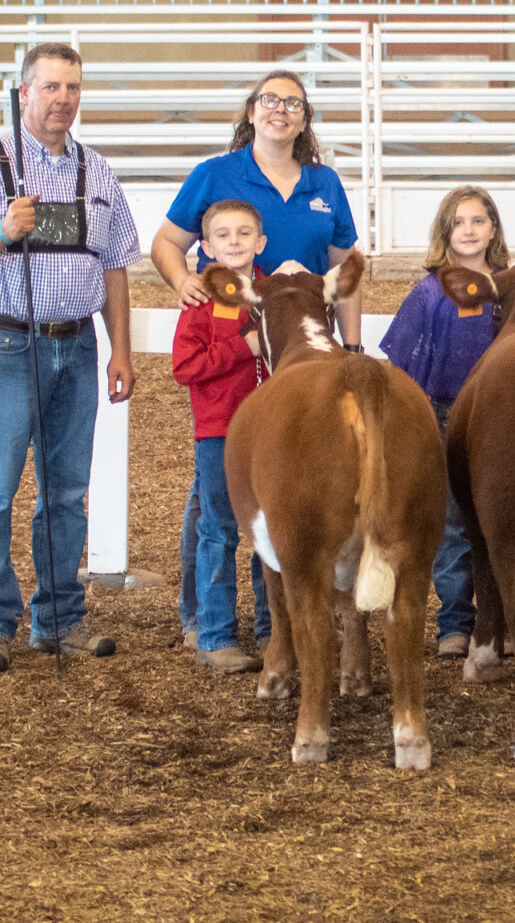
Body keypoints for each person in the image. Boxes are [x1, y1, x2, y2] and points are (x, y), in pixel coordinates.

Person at [0, 44, 138, 674]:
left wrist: (118, 348)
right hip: (5, 343)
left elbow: (116, 266)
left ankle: (59, 619)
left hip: (75, 345)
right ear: (24, 93)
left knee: (67, 492)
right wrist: (1, 232)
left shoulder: (97, 172)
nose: (62, 99)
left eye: (72, 87)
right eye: (49, 87)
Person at [151, 71, 360, 648]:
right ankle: (204, 621)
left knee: (286, 493)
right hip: (235, 363)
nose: (280, 110)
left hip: (299, 361)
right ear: (251, 109)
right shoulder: (216, 174)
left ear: (304, 117)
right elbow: (166, 242)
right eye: (270, 99)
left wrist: (352, 345)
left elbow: (347, 268)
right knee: (216, 502)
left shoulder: (324, 183)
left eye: (293, 103)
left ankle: (278, 628)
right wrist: (187, 283)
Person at [380, 186, 509, 660]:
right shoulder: (429, 291)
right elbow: (401, 366)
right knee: (453, 524)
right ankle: (454, 621)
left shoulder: (510, 288)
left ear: (494, 228)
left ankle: (503, 621)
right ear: (444, 232)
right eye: (459, 222)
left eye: (478, 221)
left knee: (501, 523)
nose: (469, 230)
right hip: (443, 416)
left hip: (502, 419)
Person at [169, 199, 268, 675]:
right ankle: (215, 635)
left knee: (271, 531)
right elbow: (184, 367)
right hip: (220, 432)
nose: (234, 242)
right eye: (223, 235)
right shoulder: (200, 300)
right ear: (205, 246)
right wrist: (241, 348)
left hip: (273, 434)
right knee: (219, 529)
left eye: (244, 233)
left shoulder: (277, 296)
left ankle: (273, 632)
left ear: (260, 242)